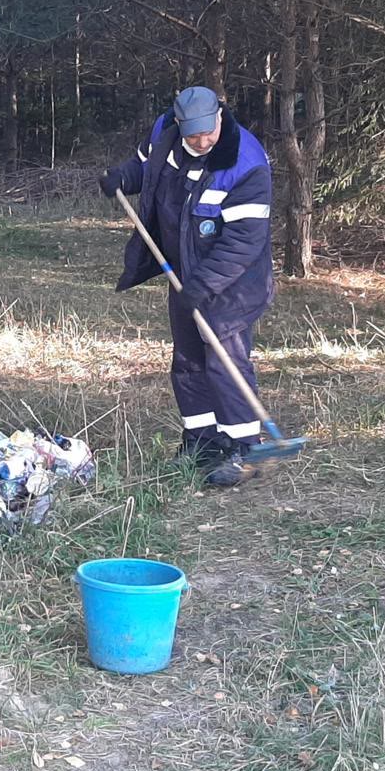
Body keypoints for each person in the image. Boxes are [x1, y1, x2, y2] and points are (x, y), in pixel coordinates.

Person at [100, 85, 277, 488]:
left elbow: (244, 242)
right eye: (193, 134)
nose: (202, 140)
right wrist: (122, 177)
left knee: (223, 360)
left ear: (220, 115)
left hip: (233, 281)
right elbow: (147, 166)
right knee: (188, 360)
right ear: (179, 124)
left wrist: (204, 284)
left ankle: (244, 448)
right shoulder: (166, 131)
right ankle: (202, 440)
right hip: (185, 271)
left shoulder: (245, 163)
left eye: (208, 131)